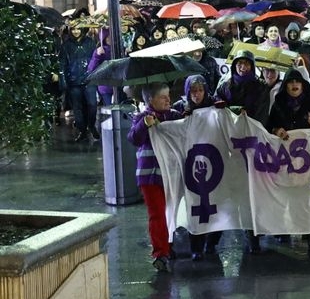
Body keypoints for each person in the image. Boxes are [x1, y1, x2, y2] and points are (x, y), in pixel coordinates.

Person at [213, 49, 272, 253]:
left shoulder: (261, 88)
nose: (242, 67)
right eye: (239, 63)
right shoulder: (225, 87)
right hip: (229, 147)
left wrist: (247, 119)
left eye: (246, 63)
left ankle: (253, 235)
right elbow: (215, 111)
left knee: (252, 193)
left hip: (252, 146)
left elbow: (261, 116)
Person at [267, 68, 310, 251]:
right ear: (285, 85)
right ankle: (294, 226)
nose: (294, 85)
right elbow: (269, 125)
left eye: (297, 82)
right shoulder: (278, 103)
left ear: (303, 85)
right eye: (290, 82)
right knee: (292, 194)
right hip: (287, 161)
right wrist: (277, 130)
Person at [127, 82, 183, 272]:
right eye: (163, 97)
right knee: (157, 214)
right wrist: (144, 125)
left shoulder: (174, 116)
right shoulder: (142, 118)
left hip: (171, 174)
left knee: (172, 212)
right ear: (151, 100)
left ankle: (168, 245)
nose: (168, 100)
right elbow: (133, 138)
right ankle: (161, 253)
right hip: (150, 176)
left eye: (168, 96)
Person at [172, 75, 222, 260]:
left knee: (217, 204)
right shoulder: (180, 107)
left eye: (200, 90)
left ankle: (213, 241)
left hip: (214, 161)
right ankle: (196, 247)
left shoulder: (215, 106)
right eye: (193, 91)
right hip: (190, 164)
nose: (197, 95)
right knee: (195, 205)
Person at [59, 23, 99, 141]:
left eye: (78, 29)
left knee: (92, 105)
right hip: (74, 81)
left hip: (89, 79)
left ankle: (91, 126)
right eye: (73, 29)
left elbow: (95, 59)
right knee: (77, 108)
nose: (76, 31)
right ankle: (82, 130)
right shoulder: (66, 45)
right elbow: (62, 64)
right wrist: (63, 81)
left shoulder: (90, 42)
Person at [86, 27, 114, 106]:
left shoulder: (120, 48)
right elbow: (91, 69)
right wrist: (97, 55)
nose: (110, 39)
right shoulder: (99, 51)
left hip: (120, 84)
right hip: (106, 86)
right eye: (108, 37)